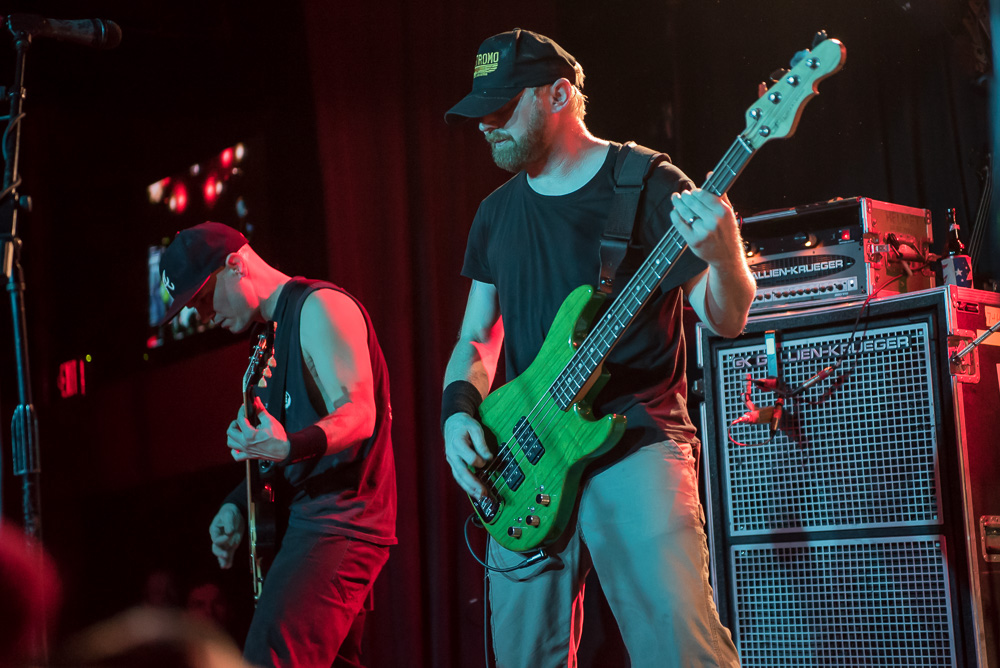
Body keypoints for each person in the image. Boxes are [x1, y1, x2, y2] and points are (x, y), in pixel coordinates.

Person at [441, 29, 752, 667]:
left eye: (501, 108)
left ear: (559, 95)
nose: (485, 126)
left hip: (634, 437)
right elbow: (478, 336)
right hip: (524, 454)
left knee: (678, 646)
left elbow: (724, 320)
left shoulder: (648, 184)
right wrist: (455, 414)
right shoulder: (494, 214)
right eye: (480, 113)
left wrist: (727, 260)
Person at [156, 222, 396, 668]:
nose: (203, 317)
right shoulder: (267, 336)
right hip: (310, 522)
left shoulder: (320, 307)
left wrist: (286, 447)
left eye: (203, 300)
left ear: (235, 265)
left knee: (268, 659)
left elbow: (360, 414)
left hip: (339, 521)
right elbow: (278, 451)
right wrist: (235, 505)